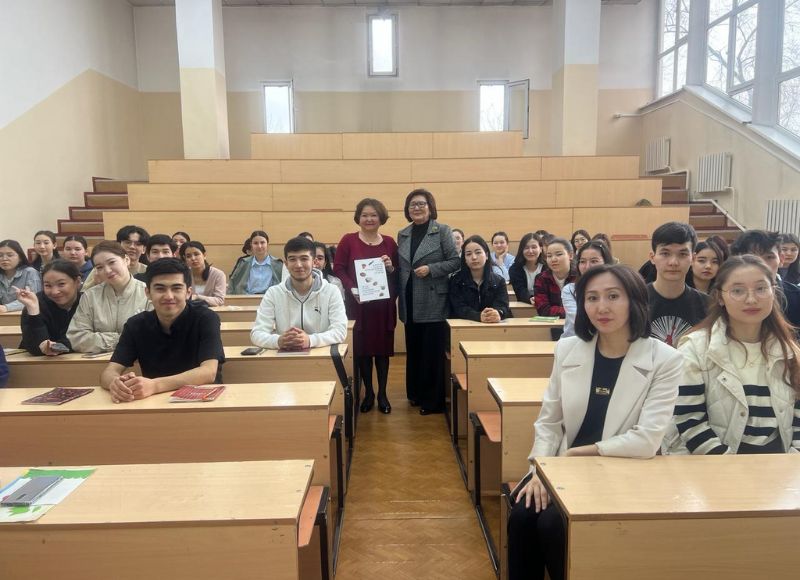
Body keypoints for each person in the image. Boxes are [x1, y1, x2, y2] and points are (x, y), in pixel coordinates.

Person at [508, 264, 683, 580]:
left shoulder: (665, 359)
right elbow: (549, 422)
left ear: (634, 300)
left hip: (621, 470)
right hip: (562, 466)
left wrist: (575, 455)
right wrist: (539, 471)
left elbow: (647, 439)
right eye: (592, 298)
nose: (602, 307)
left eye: (613, 296)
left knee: (553, 524)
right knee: (522, 514)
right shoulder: (568, 349)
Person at [666, 255, 800, 455]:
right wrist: (730, 465)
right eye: (738, 291)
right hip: (716, 462)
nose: (751, 299)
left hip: (778, 463)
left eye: (761, 288)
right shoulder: (695, 348)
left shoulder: (789, 350)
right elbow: (689, 420)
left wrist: (792, 461)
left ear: (773, 292)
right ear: (720, 297)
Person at [101, 258, 224, 403]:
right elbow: (109, 371)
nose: (169, 296)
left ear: (188, 292)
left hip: (201, 401)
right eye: (160, 289)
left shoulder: (206, 318)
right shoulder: (135, 325)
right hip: (153, 402)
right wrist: (116, 384)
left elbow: (208, 372)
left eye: (176, 288)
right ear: (147, 292)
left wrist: (155, 385)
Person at [398, 188, 460, 414]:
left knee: (432, 353)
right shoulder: (403, 233)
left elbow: (455, 261)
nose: (417, 208)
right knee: (414, 350)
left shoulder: (442, 230)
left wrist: (431, 269)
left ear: (430, 207)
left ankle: (432, 402)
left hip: (434, 298)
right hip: (409, 299)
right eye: (412, 204)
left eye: (421, 204)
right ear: (407, 209)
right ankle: (415, 393)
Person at [334, 199, 399, 414]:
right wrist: (352, 288)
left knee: (382, 352)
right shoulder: (348, 240)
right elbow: (339, 269)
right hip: (359, 306)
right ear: (358, 218)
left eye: (373, 215)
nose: (369, 219)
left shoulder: (390, 242)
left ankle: (382, 394)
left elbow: (398, 274)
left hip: (383, 307)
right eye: (364, 215)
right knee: (362, 351)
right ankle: (369, 393)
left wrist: (390, 267)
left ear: (381, 217)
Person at [251, 237, 347, 350]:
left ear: (314, 262)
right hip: (285, 356)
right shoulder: (273, 293)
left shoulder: (331, 291)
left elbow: (340, 331)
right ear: (286, 264)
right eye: (292, 259)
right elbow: (257, 333)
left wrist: (310, 340)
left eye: (304, 259)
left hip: (321, 356)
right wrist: (278, 341)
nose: (298, 265)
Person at [67, 241, 150, 353]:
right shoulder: (90, 296)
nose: (107, 270)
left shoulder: (148, 293)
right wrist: (121, 339)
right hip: (98, 362)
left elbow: (151, 337)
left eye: (112, 262)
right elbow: (76, 337)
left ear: (126, 260)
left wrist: (100, 339)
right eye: (99, 267)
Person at [647, 222, 708, 346]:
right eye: (665, 253)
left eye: (682, 254)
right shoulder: (635, 300)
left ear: (693, 259)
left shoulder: (708, 305)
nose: (673, 262)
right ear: (652, 257)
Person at [730, 230, 800, 328]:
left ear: (781, 259)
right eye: (752, 258)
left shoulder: (796, 297)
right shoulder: (726, 296)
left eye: (769, 257)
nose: (761, 264)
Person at [17, 260, 82, 356]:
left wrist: (59, 346)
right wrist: (34, 312)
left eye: (61, 284)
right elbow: (35, 347)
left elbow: (84, 338)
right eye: (48, 285)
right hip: (38, 362)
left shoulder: (87, 302)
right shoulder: (35, 302)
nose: (55, 292)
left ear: (77, 282)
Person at [449, 235, 511, 322]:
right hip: (465, 326)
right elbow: (458, 308)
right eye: (468, 254)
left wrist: (498, 313)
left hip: (493, 325)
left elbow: (503, 305)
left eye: (478, 252)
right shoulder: (456, 280)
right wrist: (478, 316)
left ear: (487, 255)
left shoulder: (498, 281)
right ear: (465, 259)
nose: (474, 257)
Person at [561, 240, 614, 338]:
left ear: (606, 262)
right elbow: (578, 319)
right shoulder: (570, 290)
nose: (587, 266)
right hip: (576, 340)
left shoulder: (616, 289)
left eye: (594, 261)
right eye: (582, 262)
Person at [82, 225, 150, 290]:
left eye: (138, 244)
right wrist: (95, 283)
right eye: (127, 242)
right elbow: (84, 292)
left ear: (144, 249)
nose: (132, 247)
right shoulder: (101, 268)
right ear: (118, 245)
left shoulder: (148, 271)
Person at [228, 230, 284, 295]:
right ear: (251, 245)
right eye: (255, 243)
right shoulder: (243, 263)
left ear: (267, 244)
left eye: (262, 242)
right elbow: (232, 283)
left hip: (271, 299)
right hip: (246, 299)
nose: (259, 246)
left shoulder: (278, 264)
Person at [533, 237, 576, 317]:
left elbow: (584, 307)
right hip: (552, 324)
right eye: (549, 256)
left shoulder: (580, 277)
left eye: (559, 254)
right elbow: (543, 309)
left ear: (570, 255)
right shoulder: (541, 279)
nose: (553, 259)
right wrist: (571, 312)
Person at [180, 241, 227, 306]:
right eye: (188, 256)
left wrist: (197, 297)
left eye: (196, 254)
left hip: (212, 311)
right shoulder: (183, 275)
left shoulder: (218, 274)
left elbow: (219, 301)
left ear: (204, 255)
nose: (193, 258)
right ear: (185, 259)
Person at [0, 240, 41, 313]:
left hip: (27, 315)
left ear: (20, 258)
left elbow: (33, 299)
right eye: (0, 255)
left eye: (10, 255)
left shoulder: (30, 273)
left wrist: (6, 307)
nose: (4, 259)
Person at [509, 232, 544, 305]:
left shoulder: (548, 267)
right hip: (525, 304)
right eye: (526, 248)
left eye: (534, 247)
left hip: (545, 304)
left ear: (541, 249)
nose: (530, 251)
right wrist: (530, 298)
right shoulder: (514, 269)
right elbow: (520, 290)